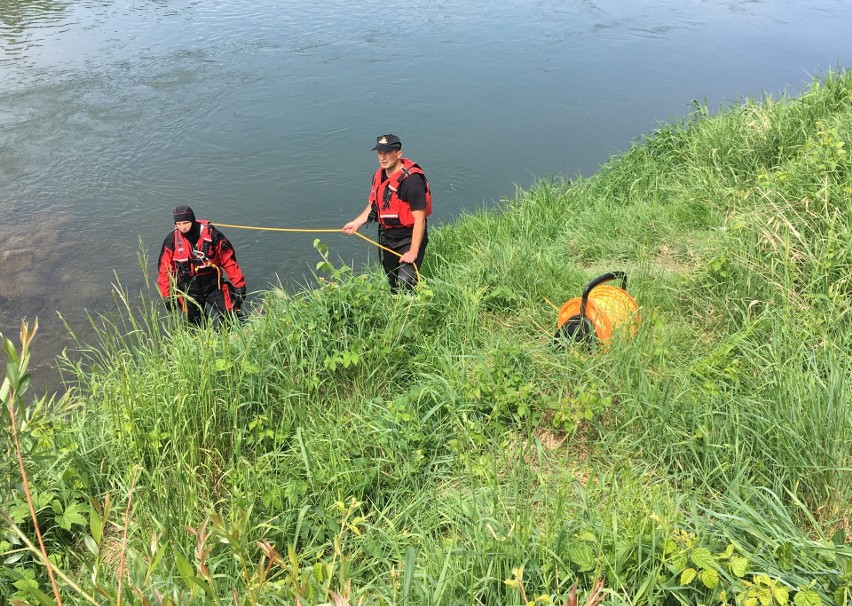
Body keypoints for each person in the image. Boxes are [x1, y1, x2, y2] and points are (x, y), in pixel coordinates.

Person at [342, 134, 432, 292]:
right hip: (387, 237)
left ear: (398, 154)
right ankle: (395, 310)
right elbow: (374, 205)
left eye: (388, 153)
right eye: (380, 153)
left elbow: (420, 220)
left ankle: (413, 310)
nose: (383, 158)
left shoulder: (412, 182)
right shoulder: (379, 175)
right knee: (392, 281)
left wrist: (413, 251)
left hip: (408, 237)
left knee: (406, 281)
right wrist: (357, 223)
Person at [157, 205, 247, 326]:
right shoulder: (171, 241)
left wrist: (239, 286)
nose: (183, 227)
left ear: (193, 220)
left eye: (186, 222)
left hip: (213, 285)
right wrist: (167, 296)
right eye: (179, 224)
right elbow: (165, 269)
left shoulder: (213, 236)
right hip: (188, 290)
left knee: (233, 318)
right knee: (196, 326)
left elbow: (229, 261)